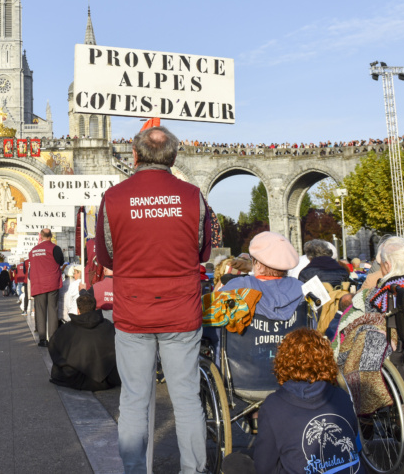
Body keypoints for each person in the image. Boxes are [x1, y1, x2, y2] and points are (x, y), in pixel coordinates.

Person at [95, 125, 218, 474]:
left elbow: (104, 257)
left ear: (135, 154)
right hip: (182, 309)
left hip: (133, 310)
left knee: (134, 401)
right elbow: (203, 251)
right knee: (186, 400)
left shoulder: (114, 197)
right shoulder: (193, 197)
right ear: (174, 157)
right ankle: (193, 470)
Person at [223, 328, 361, 474]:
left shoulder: (274, 406)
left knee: (233, 464)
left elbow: (264, 467)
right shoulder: (341, 396)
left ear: (283, 361)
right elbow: (356, 445)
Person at [220, 231, 303, 321]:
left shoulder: (237, 286)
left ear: (258, 264)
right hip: (292, 334)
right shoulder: (302, 288)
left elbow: (212, 320)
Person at [48, 293, 121, 391]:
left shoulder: (66, 329)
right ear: (94, 308)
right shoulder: (108, 326)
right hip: (106, 379)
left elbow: (53, 346)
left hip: (75, 378)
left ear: (78, 310)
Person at [27, 228, 64, 347]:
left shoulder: (32, 251)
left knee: (40, 310)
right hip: (52, 282)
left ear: (41, 236)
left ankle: (42, 339)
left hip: (38, 284)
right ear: (51, 236)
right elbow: (61, 261)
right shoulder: (54, 248)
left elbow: (30, 268)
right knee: (52, 310)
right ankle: (52, 338)